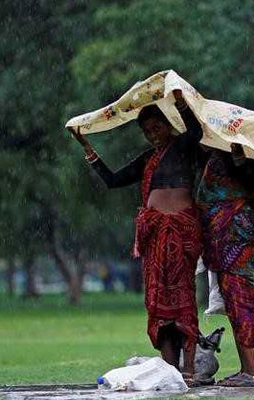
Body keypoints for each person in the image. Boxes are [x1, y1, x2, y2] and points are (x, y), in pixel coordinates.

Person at [68, 90, 203, 385]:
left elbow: (196, 130)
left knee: (182, 298)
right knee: (157, 302)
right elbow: (113, 180)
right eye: (147, 132)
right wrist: (87, 147)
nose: (153, 135)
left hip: (181, 233)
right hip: (154, 238)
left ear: (168, 125)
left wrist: (180, 102)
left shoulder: (183, 147)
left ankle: (190, 369)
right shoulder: (148, 160)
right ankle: (171, 369)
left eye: (157, 128)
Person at [196, 144, 254, 387]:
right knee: (236, 306)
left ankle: (253, 372)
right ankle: (248, 369)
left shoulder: (238, 161)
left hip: (236, 243)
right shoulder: (217, 159)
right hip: (227, 245)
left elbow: (248, 193)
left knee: (241, 305)